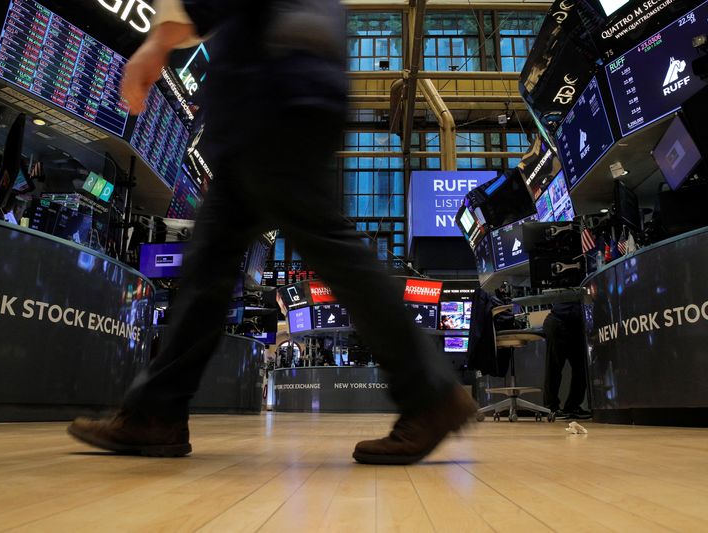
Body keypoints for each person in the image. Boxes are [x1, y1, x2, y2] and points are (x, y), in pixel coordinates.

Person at [67, 0, 477, 465]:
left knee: (317, 245)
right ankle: (155, 413)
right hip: (287, 80)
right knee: (209, 264)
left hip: (271, 88)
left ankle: (431, 395)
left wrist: (158, 43)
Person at [543, 302, 591, 419]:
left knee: (581, 368)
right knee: (554, 367)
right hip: (558, 320)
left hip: (575, 325)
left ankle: (572, 406)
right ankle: (551, 407)